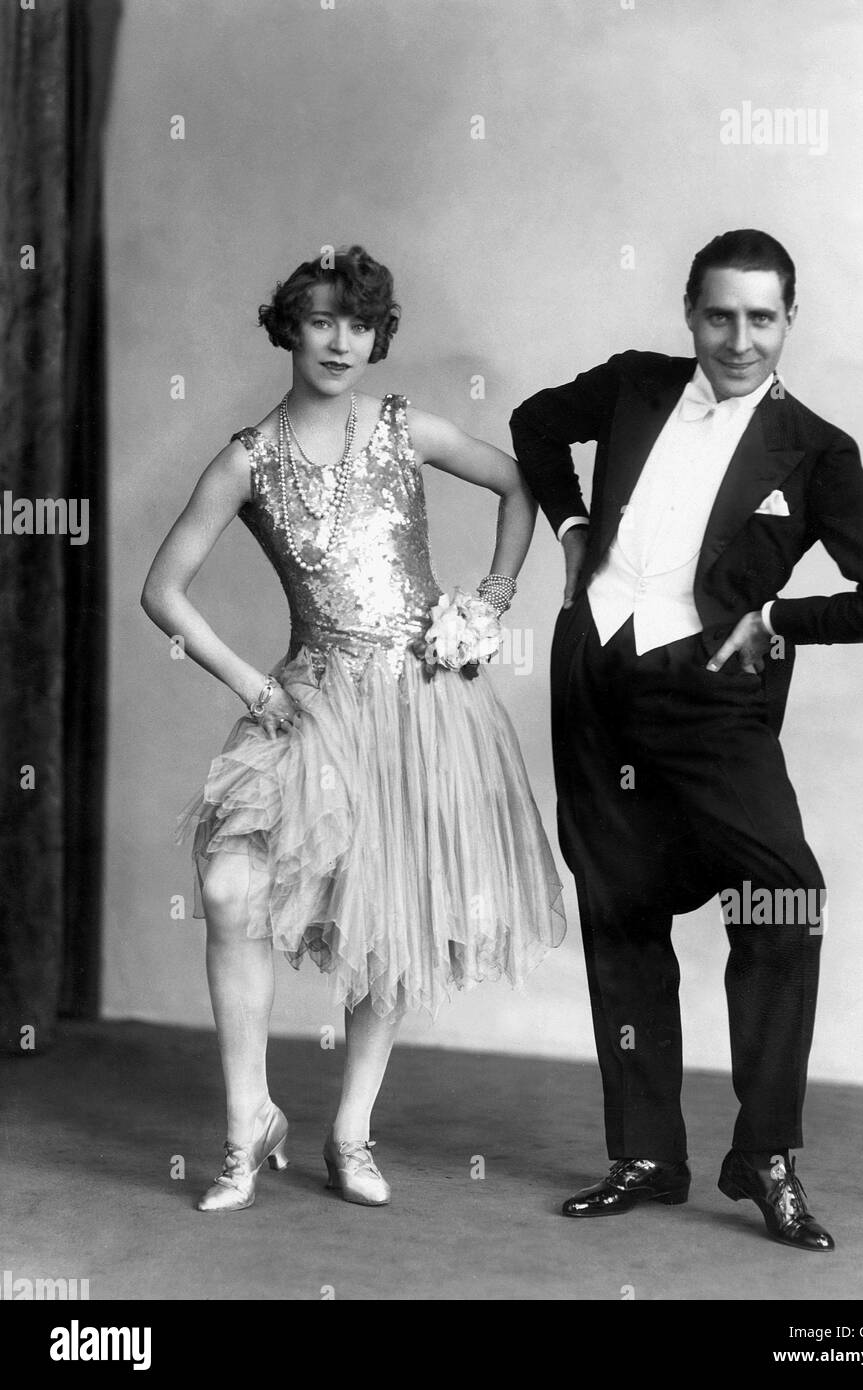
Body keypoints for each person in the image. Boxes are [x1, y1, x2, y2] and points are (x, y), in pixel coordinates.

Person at [509, 228, 863, 1251]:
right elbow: (531, 423)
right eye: (717, 315)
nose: (737, 338)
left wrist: (778, 620)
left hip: (712, 706)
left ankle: (766, 1153)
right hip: (598, 685)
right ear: (688, 313)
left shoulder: (818, 452)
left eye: (760, 317)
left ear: (791, 319)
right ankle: (645, 1156)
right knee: (620, 911)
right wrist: (568, 528)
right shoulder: (632, 388)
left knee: (783, 897)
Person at [141, 245, 565, 1213]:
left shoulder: (404, 429)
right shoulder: (247, 457)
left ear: (379, 335)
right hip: (314, 698)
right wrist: (254, 684)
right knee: (230, 885)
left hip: (422, 702)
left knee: (391, 907)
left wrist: (489, 599)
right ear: (289, 326)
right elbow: (162, 589)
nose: (340, 340)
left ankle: (349, 1132)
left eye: (358, 324)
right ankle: (248, 1121)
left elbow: (520, 484)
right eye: (322, 319)